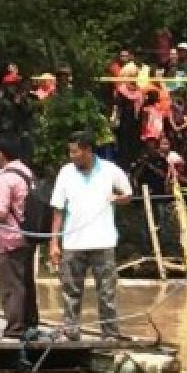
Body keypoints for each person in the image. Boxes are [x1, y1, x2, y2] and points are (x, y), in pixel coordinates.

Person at [48, 131, 132, 341]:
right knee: (70, 292)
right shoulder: (66, 173)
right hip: (73, 243)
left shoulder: (109, 170)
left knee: (106, 293)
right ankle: (71, 332)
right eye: (70, 152)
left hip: (103, 242)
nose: (72, 156)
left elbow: (128, 194)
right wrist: (54, 243)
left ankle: (110, 334)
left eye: (75, 152)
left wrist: (118, 198)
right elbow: (58, 209)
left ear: (87, 150)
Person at [0, 136, 39, 339]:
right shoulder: (28, 174)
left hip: (9, 238)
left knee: (11, 285)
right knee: (26, 281)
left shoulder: (5, 178)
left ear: (0, 154)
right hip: (28, 236)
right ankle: (30, 323)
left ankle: (14, 328)